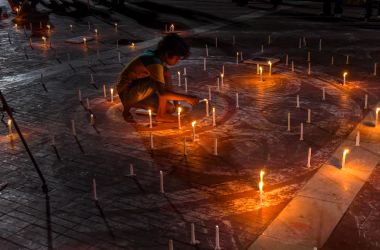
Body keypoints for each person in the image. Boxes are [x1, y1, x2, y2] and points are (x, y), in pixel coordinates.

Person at [117, 33, 199, 123]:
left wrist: (176, 104)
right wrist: (187, 98)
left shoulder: (156, 57)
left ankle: (156, 111)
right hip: (126, 93)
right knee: (162, 79)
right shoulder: (155, 63)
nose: (177, 61)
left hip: (137, 94)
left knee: (170, 109)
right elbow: (163, 93)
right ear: (167, 54)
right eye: (177, 58)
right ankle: (161, 115)